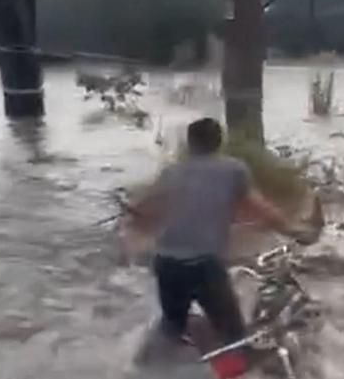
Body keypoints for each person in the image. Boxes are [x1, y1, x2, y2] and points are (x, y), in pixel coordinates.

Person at [125, 117, 312, 350]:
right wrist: (293, 230)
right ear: (219, 142)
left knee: (173, 330)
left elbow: (143, 210)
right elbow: (261, 207)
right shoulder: (233, 169)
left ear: (190, 143)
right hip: (203, 266)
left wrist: (130, 208)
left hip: (166, 264)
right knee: (235, 336)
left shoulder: (171, 172)